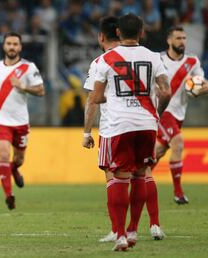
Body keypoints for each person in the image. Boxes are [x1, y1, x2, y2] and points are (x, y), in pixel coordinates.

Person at [91, 13, 171, 251]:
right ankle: (135, 229)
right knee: (140, 174)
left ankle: (121, 236)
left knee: (119, 177)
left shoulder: (106, 59)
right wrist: (156, 111)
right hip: (147, 123)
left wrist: (115, 96)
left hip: (119, 125)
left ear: (118, 33)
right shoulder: (153, 56)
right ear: (142, 32)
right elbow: (165, 91)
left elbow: (95, 97)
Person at [0, 32, 44, 210]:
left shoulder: (29, 67)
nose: (12, 47)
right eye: (9, 44)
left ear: (20, 47)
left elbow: (41, 90)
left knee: (19, 159)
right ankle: (9, 195)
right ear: (4, 46)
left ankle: (14, 169)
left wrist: (23, 87)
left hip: (20, 121)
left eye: (15, 44)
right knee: (4, 155)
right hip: (0, 119)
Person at [153, 25, 208, 204]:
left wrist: (199, 89)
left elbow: (202, 83)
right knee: (178, 142)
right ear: (169, 41)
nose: (182, 41)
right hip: (163, 111)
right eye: (178, 38)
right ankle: (178, 193)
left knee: (158, 151)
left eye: (184, 38)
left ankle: (137, 180)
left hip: (179, 114)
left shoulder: (192, 62)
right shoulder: (158, 60)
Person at [82, 15, 120, 243]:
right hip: (142, 124)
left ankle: (118, 230)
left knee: (112, 178)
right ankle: (148, 226)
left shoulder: (100, 62)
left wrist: (87, 132)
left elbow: (92, 99)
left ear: (101, 36)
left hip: (112, 128)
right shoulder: (145, 57)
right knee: (141, 176)